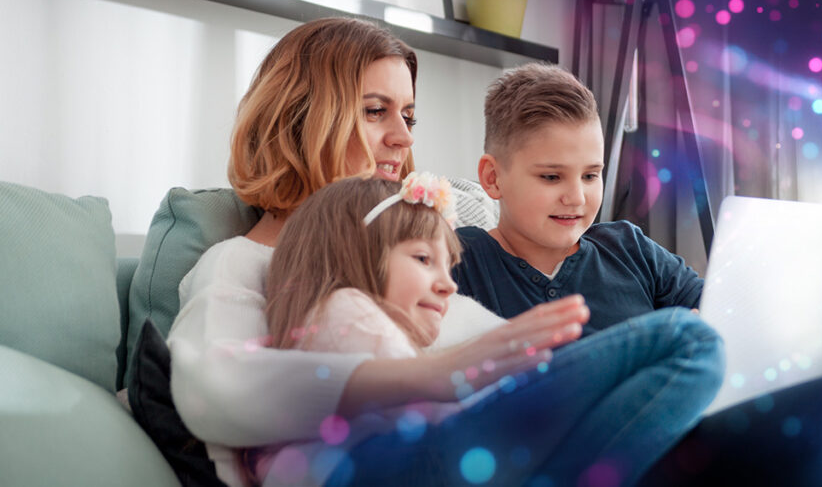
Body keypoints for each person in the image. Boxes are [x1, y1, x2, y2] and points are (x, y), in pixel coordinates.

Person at [167, 16, 722, 487]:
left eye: (408, 116)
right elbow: (216, 390)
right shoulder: (240, 262)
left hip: (498, 451)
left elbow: (505, 368)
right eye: (375, 111)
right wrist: (435, 376)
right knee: (685, 342)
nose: (404, 138)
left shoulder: (411, 266)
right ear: (300, 114)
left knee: (782, 406)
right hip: (401, 461)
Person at [451, 62, 822, 485]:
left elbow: (724, 312)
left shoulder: (624, 246)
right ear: (493, 178)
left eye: (592, 174)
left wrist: (785, 337)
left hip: (711, 422)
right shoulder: (460, 261)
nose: (578, 197)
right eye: (552, 177)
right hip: (646, 455)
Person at [244, 173, 724, 486]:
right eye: (422, 259)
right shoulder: (342, 309)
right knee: (688, 340)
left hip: (419, 461)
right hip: (390, 465)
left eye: (449, 268)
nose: (447, 285)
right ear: (351, 257)